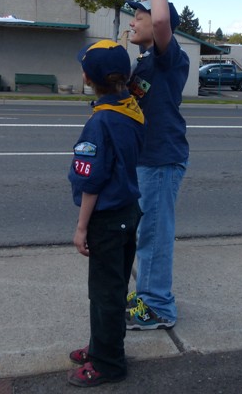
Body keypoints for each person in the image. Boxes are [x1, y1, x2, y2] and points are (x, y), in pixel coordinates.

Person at [66, 39, 145, 387]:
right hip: (129, 211)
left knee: (105, 293)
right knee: (112, 287)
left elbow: (92, 181)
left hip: (108, 219)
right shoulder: (131, 108)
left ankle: (109, 362)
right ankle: (102, 344)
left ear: (87, 77)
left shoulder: (100, 123)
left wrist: (81, 227)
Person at [123, 0, 190, 330]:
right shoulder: (145, 61)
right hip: (145, 158)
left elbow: (163, 20)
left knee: (154, 233)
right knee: (144, 231)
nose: (133, 21)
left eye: (139, 16)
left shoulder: (169, 57)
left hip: (162, 160)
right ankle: (148, 295)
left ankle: (159, 307)